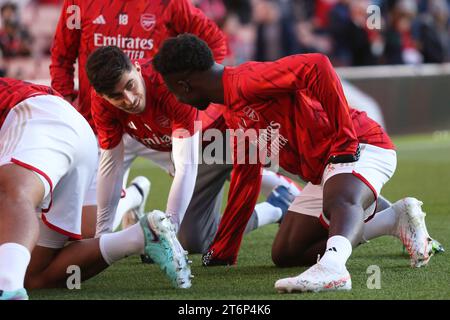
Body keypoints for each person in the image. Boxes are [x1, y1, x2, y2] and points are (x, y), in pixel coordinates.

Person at [152, 34, 435, 292]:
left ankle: (334, 268)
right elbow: (245, 176)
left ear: (183, 85)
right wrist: (225, 248)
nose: (177, 100)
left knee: (338, 199)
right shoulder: (232, 110)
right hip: (326, 170)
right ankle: (394, 219)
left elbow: (317, 65)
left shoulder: (246, 79)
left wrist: (345, 138)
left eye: (172, 91)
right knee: (287, 252)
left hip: (363, 144)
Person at [49, 0, 297, 241]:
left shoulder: (170, 4)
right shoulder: (78, 4)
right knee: (87, 229)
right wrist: (68, 107)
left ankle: (285, 196)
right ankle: (135, 196)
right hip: (109, 124)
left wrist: (201, 98)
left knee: (222, 163)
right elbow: (61, 58)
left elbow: (214, 42)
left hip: (170, 122)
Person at [86, 46, 298, 255]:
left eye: (130, 85)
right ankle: (277, 205)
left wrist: (168, 231)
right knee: (195, 240)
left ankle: (293, 191)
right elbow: (111, 165)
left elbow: (186, 167)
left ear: (136, 68)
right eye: (117, 96)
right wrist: (101, 236)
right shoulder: (102, 104)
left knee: (298, 162)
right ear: (101, 96)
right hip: (194, 145)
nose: (129, 100)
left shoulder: (166, 86)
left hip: (226, 131)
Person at [0, 78, 191, 300]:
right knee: (33, 274)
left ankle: (7, 288)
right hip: (74, 132)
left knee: (13, 194)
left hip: (38, 115)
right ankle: (140, 236)